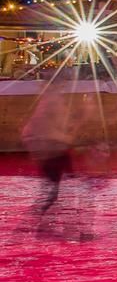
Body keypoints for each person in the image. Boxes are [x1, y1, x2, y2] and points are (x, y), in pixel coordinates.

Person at [20, 87, 77, 236]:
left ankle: (43, 224)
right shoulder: (45, 114)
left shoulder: (51, 111)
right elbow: (61, 136)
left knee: (59, 192)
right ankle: (40, 224)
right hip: (53, 157)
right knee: (55, 193)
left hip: (58, 156)